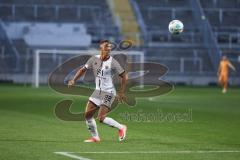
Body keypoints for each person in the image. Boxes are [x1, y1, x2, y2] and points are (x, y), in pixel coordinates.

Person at [68, 40, 128, 142]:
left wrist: (121, 92)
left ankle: (121, 127)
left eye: (109, 48)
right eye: (106, 47)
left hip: (109, 92)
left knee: (101, 118)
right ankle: (95, 137)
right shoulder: (93, 59)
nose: (108, 49)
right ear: (101, 48)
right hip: (97, 91)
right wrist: (74, 80)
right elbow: (83, 69)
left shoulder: (113, 62)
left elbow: (124, 76)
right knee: (87, 115)